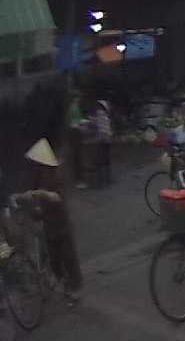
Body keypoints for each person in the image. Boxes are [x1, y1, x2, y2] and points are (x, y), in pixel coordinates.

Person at [12, 139, 83, 302]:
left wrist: (38, 194)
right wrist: (22, 197)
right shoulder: (37, 174)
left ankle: (74, 287)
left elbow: (56, 197)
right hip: (47, 221)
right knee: (54, 259)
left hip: (61, 221)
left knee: (68, 257)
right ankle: (62, 282)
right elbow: (31, 192)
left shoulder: (56, 174)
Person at [64, 88, 87, 189]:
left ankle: (78, 179)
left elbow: (73, 121)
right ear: (75, 98)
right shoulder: (73, 108)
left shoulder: (73, 108)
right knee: (78, 157)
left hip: (74, 133)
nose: (80, 99)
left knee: (77, 156)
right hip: (75, 134)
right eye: (78, 97)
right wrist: (82, 125)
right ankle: (79, 180)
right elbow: (73, 124)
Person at [87, 99, 113, 188]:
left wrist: (88, 120)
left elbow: (93, 123)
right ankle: (108, 179)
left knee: (100, 160)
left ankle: (101, 181)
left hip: (102, 139)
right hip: (108, 139)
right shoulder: (106, 116)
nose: (97, 107)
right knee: (106, 159)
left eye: (98, 106)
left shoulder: (99, 114)